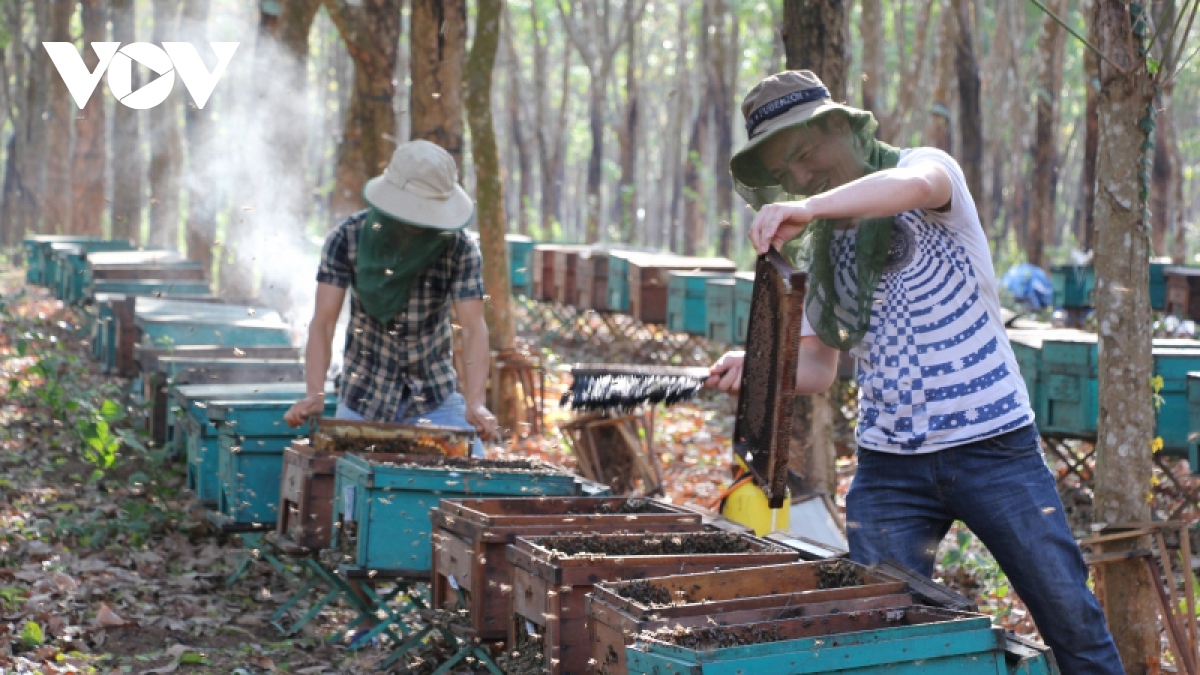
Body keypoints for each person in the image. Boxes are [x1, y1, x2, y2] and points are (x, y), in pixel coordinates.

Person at [706, 70, 1122, 674]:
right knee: (878, 638)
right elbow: (820, 369)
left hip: (995, 449)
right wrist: (761, 366)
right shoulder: (822, 250)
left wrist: (809, 206)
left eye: (805, 153)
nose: (800, 175)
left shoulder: (928, 170)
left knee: (1070, 620)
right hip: (890, 470)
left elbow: (912, 186)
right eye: (785, 170)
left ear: (840, 127)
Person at [284, 140, 498, 454]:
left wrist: (476, 403)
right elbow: (323, 321)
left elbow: (474, 326)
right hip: (363, 397)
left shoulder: (460, 248)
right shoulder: (347, 238)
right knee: (345, 489)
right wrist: (314, 392)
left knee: (472, 485)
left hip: (434, 397)